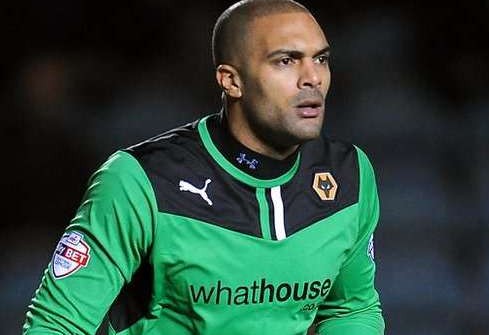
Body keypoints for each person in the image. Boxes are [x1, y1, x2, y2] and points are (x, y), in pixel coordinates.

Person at [22, 0, 385, 334]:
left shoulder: (349, 175)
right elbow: (56, 325)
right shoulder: (140, 180)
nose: (313, 78)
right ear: (231, 80)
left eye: (320, 59)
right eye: (286, 61)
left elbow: (351, 310)